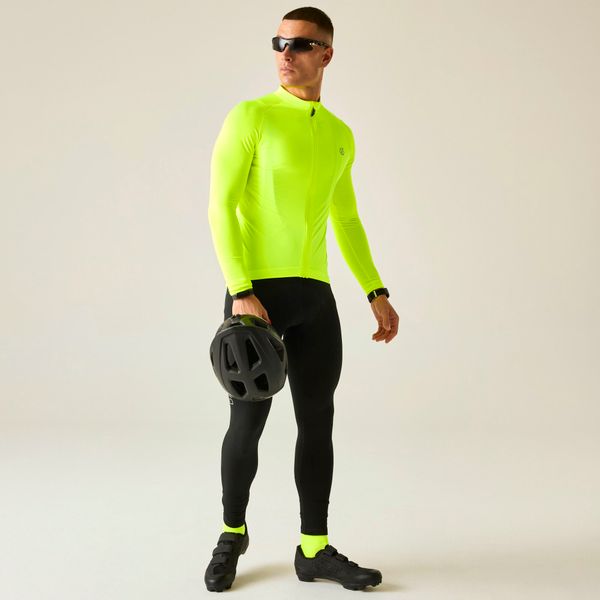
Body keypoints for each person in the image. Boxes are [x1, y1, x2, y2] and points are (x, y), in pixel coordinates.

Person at [205, 6, 399, 592]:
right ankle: (231, 533)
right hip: (257, 296)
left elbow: (348, 219)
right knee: (247, 422)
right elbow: (220, 206)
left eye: (300, 44)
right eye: (279, 43)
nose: (285, 53)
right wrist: (241, 290)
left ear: (326, 54)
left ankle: (313, 549)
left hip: (315, 297)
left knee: (318, 422)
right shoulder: (251, 116)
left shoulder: (339, 134)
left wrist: (376, 290)